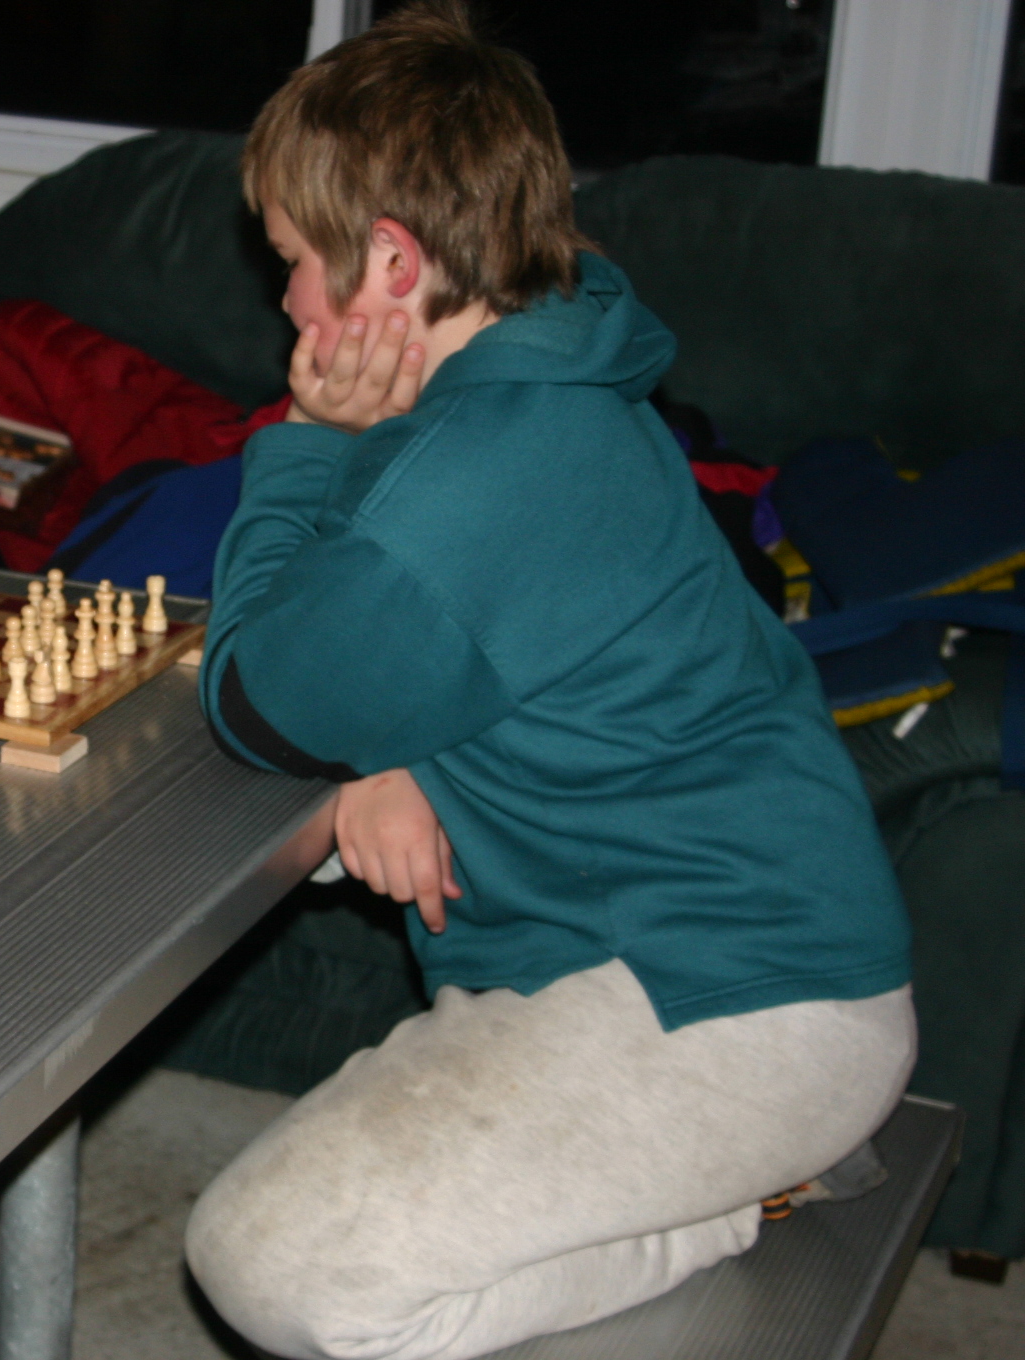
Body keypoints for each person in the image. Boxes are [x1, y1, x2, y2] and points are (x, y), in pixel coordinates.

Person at [182, 6, 915, 1359]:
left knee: (272, 1265)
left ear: (390, 261)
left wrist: (303, 440)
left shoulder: (485, 465)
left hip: (724, 996)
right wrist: (389, 750)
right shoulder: (542, 370)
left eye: (290, 263)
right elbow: (432, 639)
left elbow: (252, 700)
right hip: (700, 962)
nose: (282, 303)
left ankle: (725, 1201)